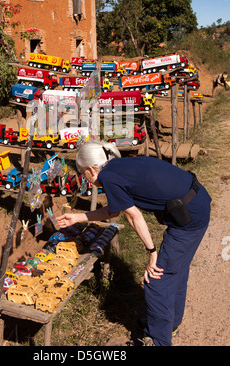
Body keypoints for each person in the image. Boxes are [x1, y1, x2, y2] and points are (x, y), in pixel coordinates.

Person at [56, 141, 211, 346]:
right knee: (175, 270)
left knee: (157, 280)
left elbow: (133, 216)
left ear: (91, 170)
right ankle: (168, 323)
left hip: (190, 217)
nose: (84, 178)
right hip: (196, 203)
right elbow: (115, 210)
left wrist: (152, 252)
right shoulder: (119, 168)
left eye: (82, 173)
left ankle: (159, 340)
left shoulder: (108, 177)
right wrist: (78, 218)